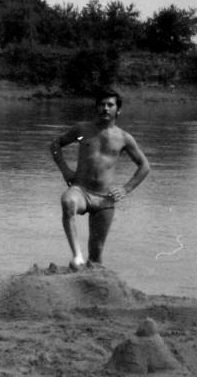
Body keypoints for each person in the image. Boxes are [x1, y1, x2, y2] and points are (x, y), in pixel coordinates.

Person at [49, 88, 150, 270]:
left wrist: (126, 189)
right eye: (102, 104)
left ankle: (90, 280)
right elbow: (56, 145)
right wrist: (65, 170)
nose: (105, 108)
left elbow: (144, 166)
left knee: (96, 254)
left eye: (110, 105)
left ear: (118, 110)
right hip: (81, 191)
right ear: (96, 107)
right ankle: (77, 256)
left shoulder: (124, 139)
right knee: (68, 201)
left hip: (104, 199)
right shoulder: (82, 132)